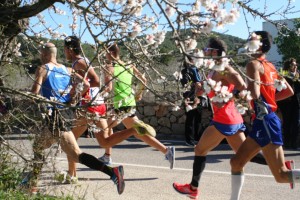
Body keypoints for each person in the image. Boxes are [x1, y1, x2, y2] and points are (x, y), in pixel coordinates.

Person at [173, 37, 266, 199]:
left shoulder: (226, 69)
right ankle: (281, 165)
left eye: (207, 49)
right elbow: (212, 89)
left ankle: (193, 188)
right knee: (244, 154)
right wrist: (202, 90)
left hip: (225, 119)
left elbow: (243, 87)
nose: (205, 51)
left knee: (200, 149)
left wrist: (231, 99)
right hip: (231, 118)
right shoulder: (214, 68)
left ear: (215, 52)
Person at [26, 42, 125, 194]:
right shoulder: (68, 70)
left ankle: (113, 172)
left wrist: (33, 98)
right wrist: (72, 98)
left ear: (44, 54)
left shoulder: (43, 68)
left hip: (55, 116)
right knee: (38, 146)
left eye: (41, 54)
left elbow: (34, 93)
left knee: (75, 154)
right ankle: (32, 184)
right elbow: (86, 83)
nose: (40, 56)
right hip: (65, 114)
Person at [62, 36, 157, 181]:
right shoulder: (84, 61)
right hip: (98, 104)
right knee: (105, 142)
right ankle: (133, 130)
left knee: (70, 140)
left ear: (69, 49)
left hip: (89, 107)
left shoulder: (78, 63)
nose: (64, 53)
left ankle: (71, 175)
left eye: (64, 50)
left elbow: (94, 81)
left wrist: (75, 94)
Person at [230, 31, 300, 200]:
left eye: (251, 40)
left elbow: (254, 93)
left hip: (266, 122)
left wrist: (236, 91)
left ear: (259, 44)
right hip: (264, 120)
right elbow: (288, 92)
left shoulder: (253, 64)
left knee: (281, 175)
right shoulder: (270, 66)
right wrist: (269, 100)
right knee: (236, 163)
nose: (248, 43)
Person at [98, 43, 175, 169]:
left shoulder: (109, 67)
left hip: (121, 106)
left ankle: (167, 150)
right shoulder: (129, 65)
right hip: (128, 103)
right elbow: (143, 80)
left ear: (110, 53)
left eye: (105, 53)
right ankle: (107, 156)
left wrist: (97, 95)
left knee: (112, 129)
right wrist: (139, 94)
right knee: (131, 131)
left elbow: (108, 88)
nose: (105, 55)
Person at [181, 60, 205, 146]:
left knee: (198, 118)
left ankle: (197, 138)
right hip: (189, 97)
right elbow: (185, 84)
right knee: (190, 119)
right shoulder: (185, 71)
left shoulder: (198, 70)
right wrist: (195, 84)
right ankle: (189, 140)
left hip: (199, 97)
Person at [277, 58, 300, 149]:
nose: (295, 66)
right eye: (293, 65)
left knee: (296, 123)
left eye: (295, 64)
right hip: (286, 102)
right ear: (288, 66)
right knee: (287, 122)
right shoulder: (283, 75)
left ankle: (294, 143)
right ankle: (287, 142)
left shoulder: (298, 75)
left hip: (297, 102)